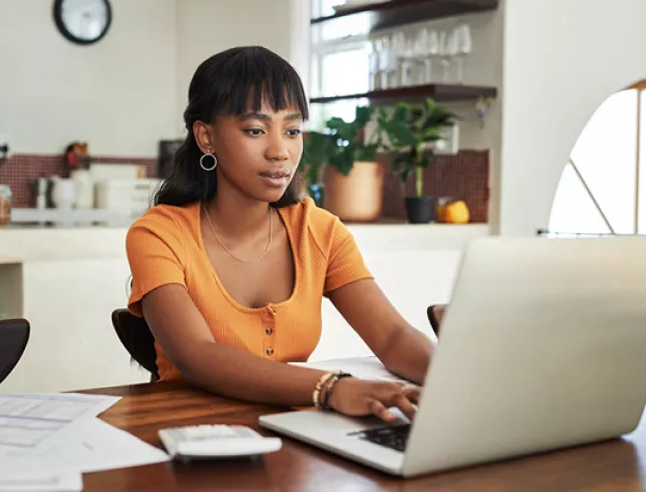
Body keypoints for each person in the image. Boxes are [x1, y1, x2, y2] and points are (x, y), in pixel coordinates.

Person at [125, 46, 434, 422]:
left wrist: (457, 379)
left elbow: (393, 338)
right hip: (187, 440)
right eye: (255, 130)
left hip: (296, 438)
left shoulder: (319, 232)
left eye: (292, 130)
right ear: (206, 138)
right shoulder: (159, 234)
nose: (280, 152)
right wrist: (330, 388)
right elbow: (197, 355)